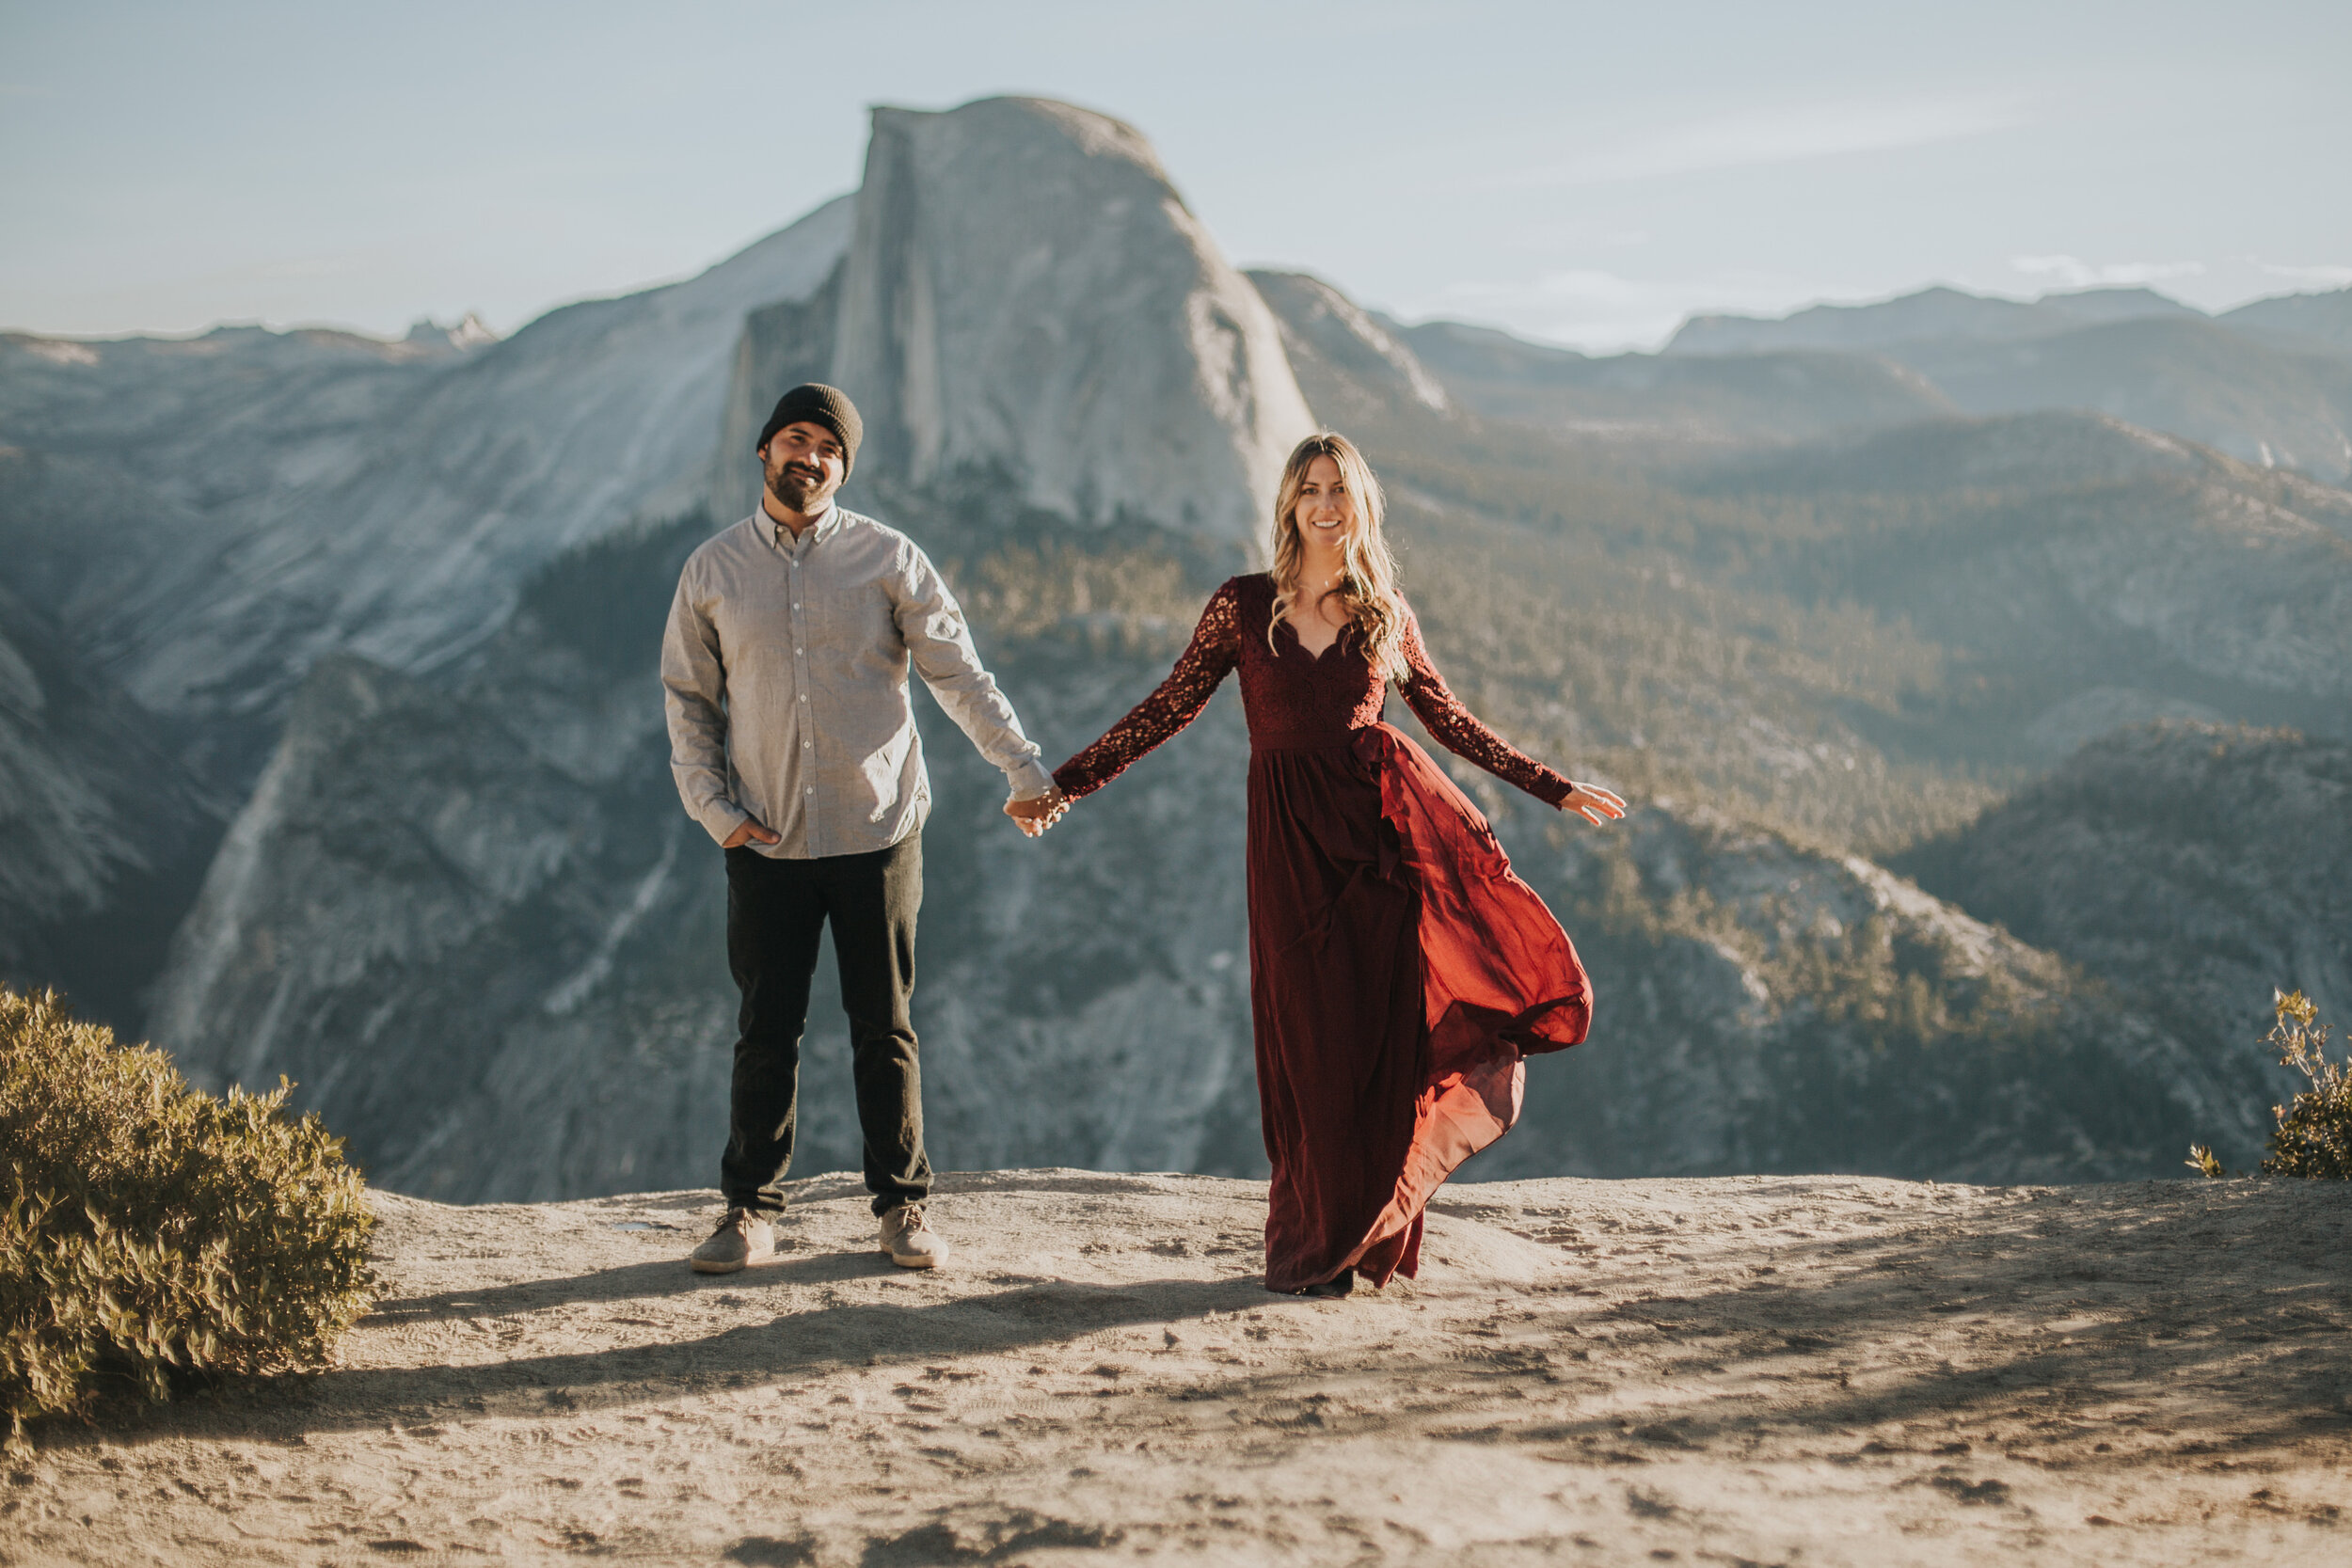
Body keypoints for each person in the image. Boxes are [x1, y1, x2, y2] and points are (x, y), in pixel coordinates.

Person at [1034, 432, 1624, 1296]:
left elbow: (1452, 724)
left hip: (1374, 859)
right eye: (1308, 488)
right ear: (1288, 503)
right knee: (1305, 1049)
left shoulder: (1386, 613)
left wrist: (1555, 787)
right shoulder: (1242, 605)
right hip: (1284, 856)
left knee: (1376, 1047)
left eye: (1339, 490)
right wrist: (1068, 784)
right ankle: (1313, 1239)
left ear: (1361, 506)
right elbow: (1167, 706)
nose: (1324, 504)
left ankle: (1362, 1240)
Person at [661, 383, 1063, 1275]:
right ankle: (749, 1211)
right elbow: (688, 702)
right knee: (768, 1025)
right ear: (764, 450)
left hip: (878, 832)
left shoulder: (889, 558)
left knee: (885, 1024)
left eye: (829, 448)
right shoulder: (713, 571)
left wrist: (1023, 766)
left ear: (844, 467)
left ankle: (904, 1208)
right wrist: (716, 812)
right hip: (764, 838)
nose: (810, 457)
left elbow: (958, 671)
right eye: (795, 438)